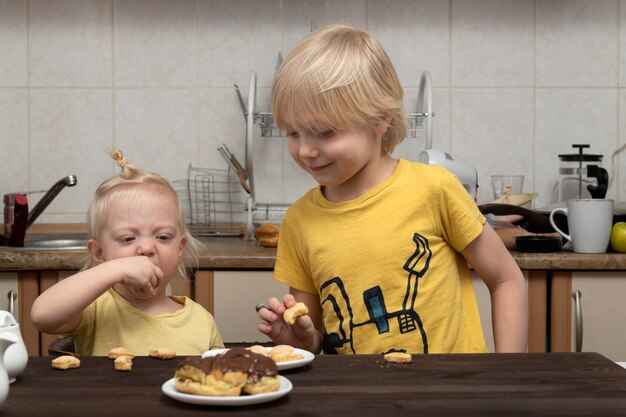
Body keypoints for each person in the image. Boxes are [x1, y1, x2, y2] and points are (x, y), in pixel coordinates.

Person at [256, 24, 528, 355]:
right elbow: (314, 339)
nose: (305, 151)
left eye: (324, 132)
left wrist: (510, 372)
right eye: (292, 132)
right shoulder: (299, 221)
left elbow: (506, 279)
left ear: (380, 120)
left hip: (455, 396)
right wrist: (299, 341)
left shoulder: (435, 189)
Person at [30, 150, 224, 356]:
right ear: (99, 252)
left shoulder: (201, 321)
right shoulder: (96, 310)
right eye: (128, 239)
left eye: (163, 237)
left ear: (180, 247)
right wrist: (114, 270)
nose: (147, 248)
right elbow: (42, 316)